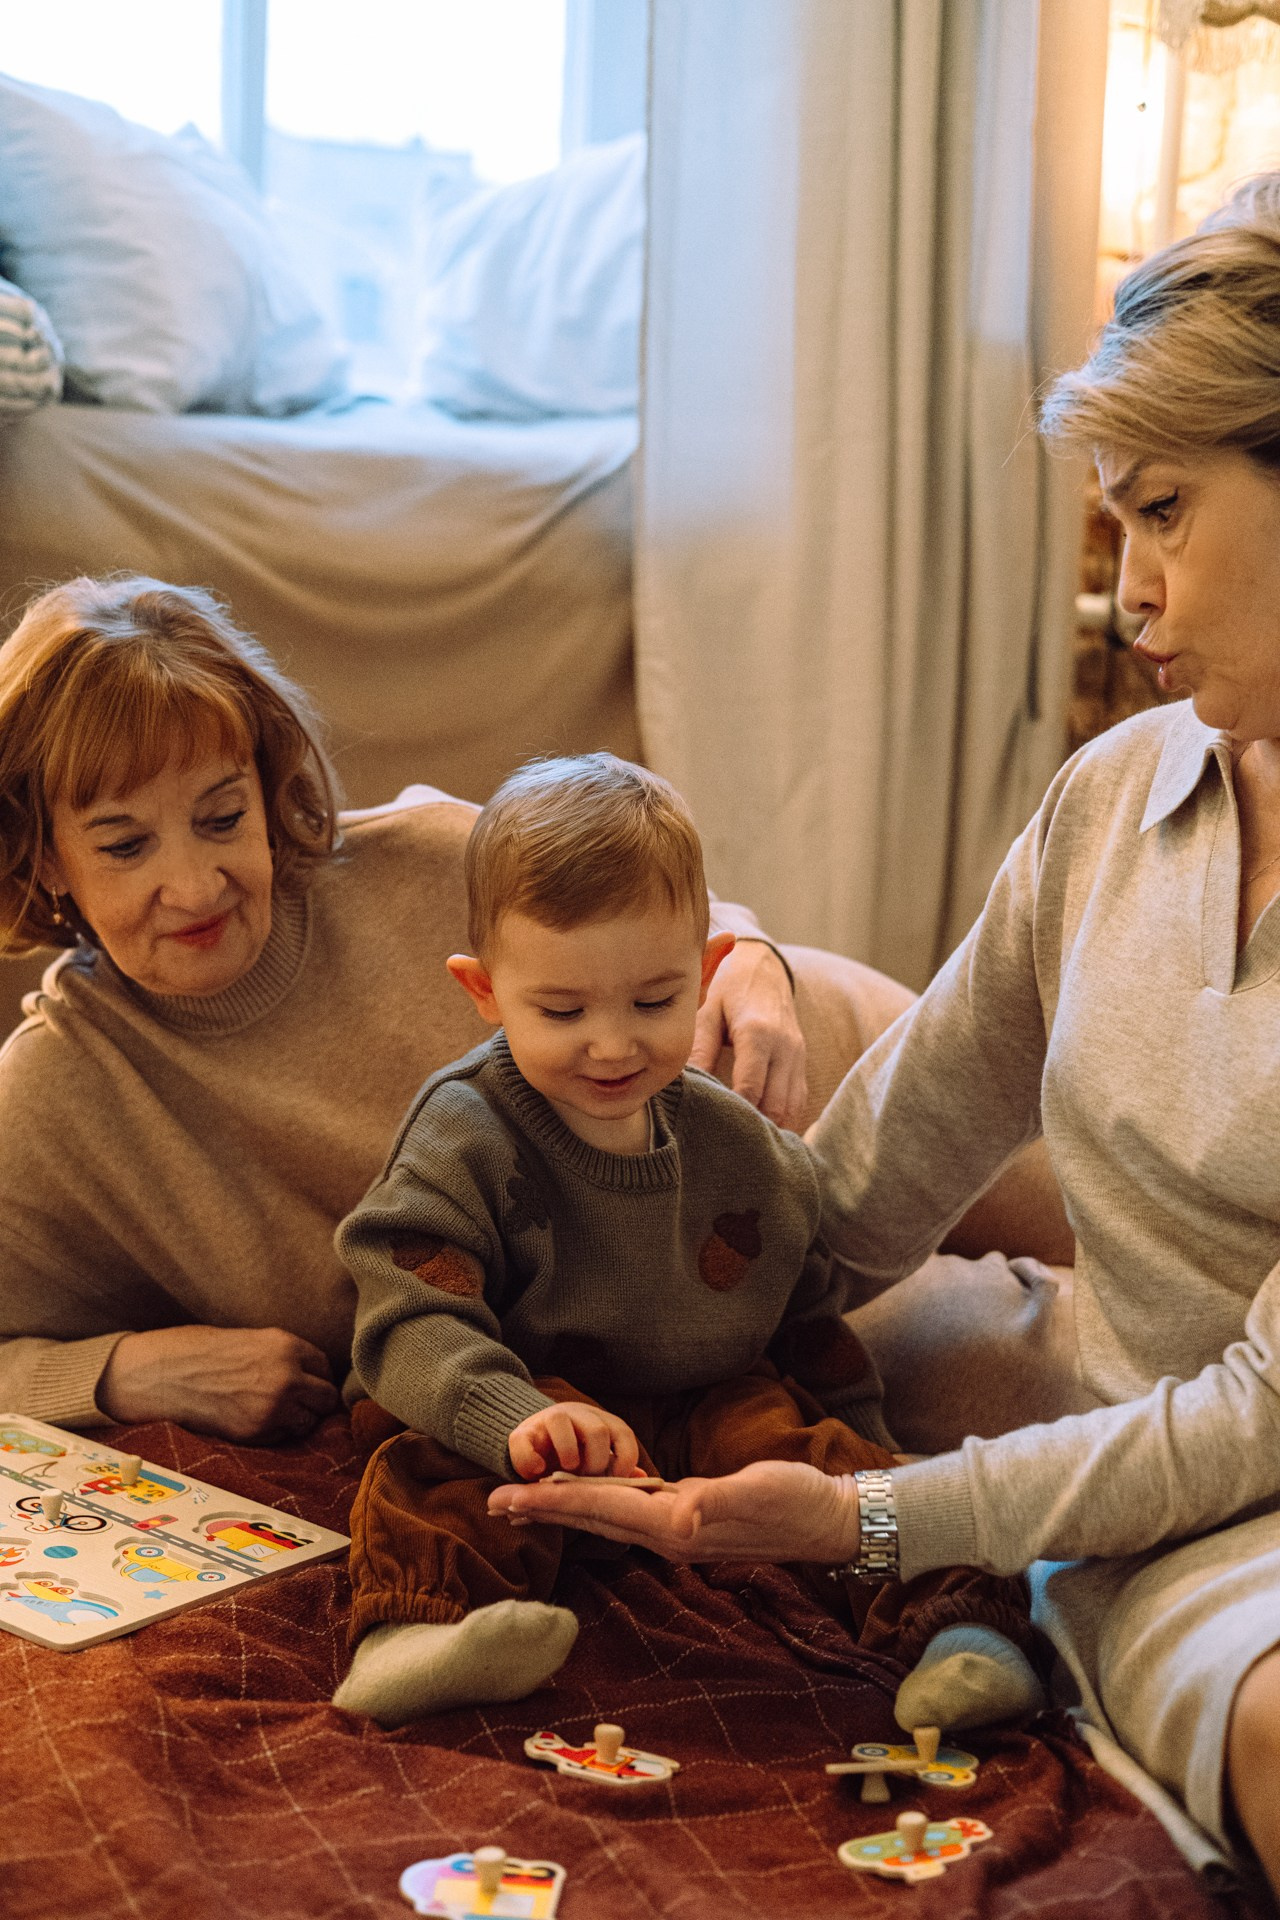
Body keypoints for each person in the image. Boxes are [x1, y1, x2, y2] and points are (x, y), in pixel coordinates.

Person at [488, 173, 1280, 1899]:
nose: (1130, 597)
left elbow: (1262, 1417)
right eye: (1112, 528)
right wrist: (572, 1357)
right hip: (1136, 1510)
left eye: (1163, 516)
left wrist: (867, 1519)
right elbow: (858, 1185)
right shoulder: (1112, 802)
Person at [0, 574, 870, 1445]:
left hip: (795, 1073)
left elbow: (651, 893)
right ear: (42, 856)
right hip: (668, 1340)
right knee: (976, 1363)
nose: (194, 884)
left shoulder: (427, 853)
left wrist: (755, 957)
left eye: (224, 816)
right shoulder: (57, 1094)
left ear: (265, 788)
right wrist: (123, 1372)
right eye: (124, 844)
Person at [330, 753, 1041, 1728]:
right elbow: (408, 1314)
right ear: (484, 992)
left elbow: (805, 1310)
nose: (613, 1044)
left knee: (833, 1465)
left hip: (712, 1396)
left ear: (704, 975)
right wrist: (511, 1421)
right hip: (533, 1395)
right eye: (563, 1010)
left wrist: (858, 1437)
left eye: (652, 1003)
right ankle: (419, 1632)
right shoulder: (464, 1131)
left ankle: (958, 1629)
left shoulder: (737, 1146)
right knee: (432, 1474)